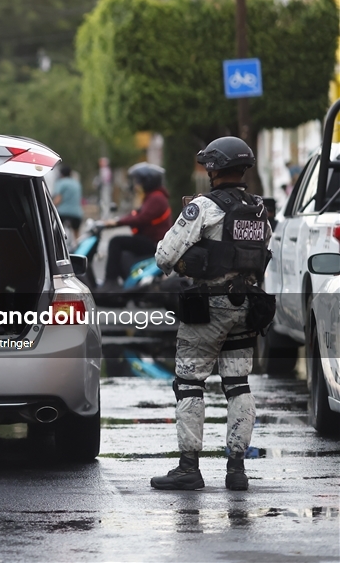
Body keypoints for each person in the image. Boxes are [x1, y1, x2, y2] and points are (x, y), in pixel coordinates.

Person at [151, 137, 271, 491]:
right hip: (247, 305)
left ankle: (189, 467)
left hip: (208, 307)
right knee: (238, 385)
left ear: (214, 169)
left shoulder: (203, 207)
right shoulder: (259, 209)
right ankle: (237, 469)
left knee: (189, 382)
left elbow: (164, 257)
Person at [100, 163, 171, 288]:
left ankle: (110, 281)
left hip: (154, 243)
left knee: (116, 242)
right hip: (150, 240)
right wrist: (117, 221)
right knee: (122, 247)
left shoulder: (157, 198)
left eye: (140, 181)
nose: (137, 185)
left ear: (148, 182)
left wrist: (117, 223)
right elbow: (135, 215)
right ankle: (125, 283)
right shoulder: (152, 197)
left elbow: (141, 218)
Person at [52, 164, 84, 245]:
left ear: (61, 174)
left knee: (57, 233)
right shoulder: (77, 184)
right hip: (77, 213)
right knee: (77, 235)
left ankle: (57, 247)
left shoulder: (61, 182)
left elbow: (58, 199)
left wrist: (50, 206)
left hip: (63, 213)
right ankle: (78, 247)